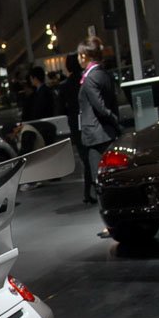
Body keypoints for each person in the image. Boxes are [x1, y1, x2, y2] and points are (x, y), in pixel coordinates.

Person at [77, 36, 121, 204]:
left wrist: (113, 119)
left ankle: (108, 214)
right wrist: (115, 123)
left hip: (96, 136)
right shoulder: (104, 74)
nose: (78, 59)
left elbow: (101, 108)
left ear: (84, 56)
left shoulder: (90, 79)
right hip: (107, 132)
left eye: (79, 55)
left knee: (100, 179)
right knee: (111, 175)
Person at [56, 52, 93, 200]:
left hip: (75, 123)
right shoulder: (86, 80)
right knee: (93, 155)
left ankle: (88, 191)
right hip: (90, 119)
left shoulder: (64, 86)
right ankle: (92, 189)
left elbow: (60, 109)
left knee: (84, 157)